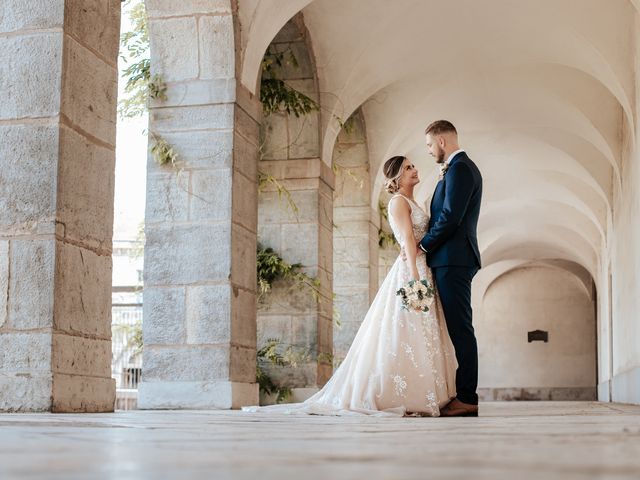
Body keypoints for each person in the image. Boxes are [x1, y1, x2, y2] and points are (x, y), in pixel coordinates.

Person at [243, 156, 457, 416]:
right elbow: (408, 241)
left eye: (413, 165)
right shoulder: (398, 202)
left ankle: (426, 390)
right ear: (397, 178)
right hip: (412, 270)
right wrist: (415, 276)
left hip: (424, 267)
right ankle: (397, 394)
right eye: (408, 168)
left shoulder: (414, 201)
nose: (414, 169)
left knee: (421, 329)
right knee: (405, 327)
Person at [419, 120, 483, 417]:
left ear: (442, 141)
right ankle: (460, 392)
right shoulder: (457, 169)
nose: (430, 152)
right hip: (450, 259)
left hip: (453, 259)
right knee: (457, 328)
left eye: (430, 145)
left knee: (461, 328)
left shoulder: (460, 168)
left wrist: (423, 245)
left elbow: (450, 217)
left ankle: (467, 397)